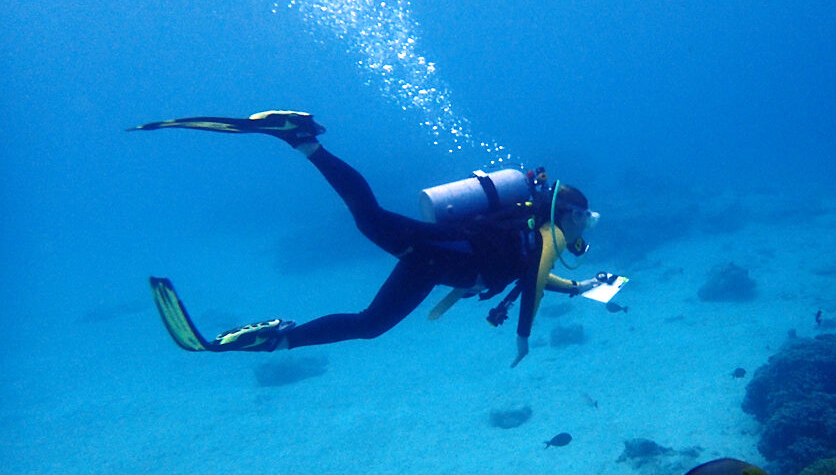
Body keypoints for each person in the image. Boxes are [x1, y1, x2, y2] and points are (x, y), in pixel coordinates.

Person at [133, 110, 605, 367]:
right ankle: (303, 141)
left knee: (370, 324)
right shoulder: (546, 236)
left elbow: (536, 277)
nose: (586, 224)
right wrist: (523, 337)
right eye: (584, 216)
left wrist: (579, 289)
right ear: (567, 211)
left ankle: (277, 340)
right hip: (434, 253)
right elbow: (538, 275)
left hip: (432, 265)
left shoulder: (536, 235)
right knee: (369, 217)